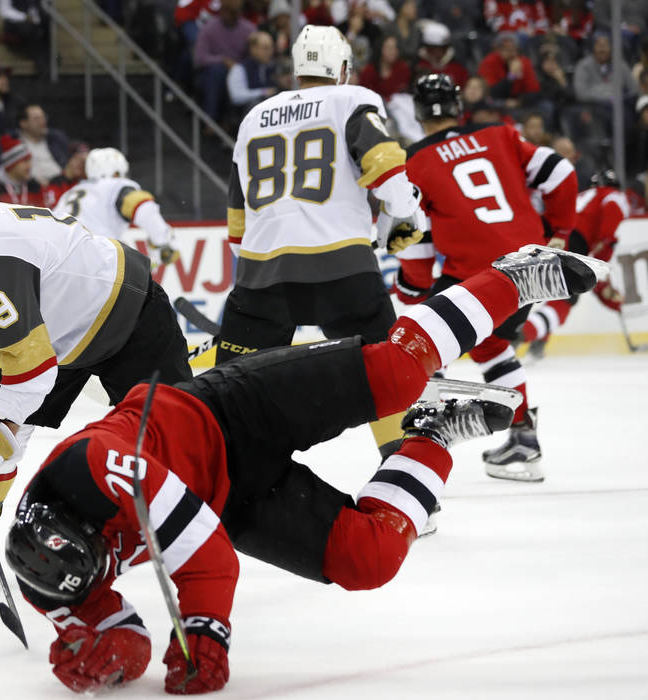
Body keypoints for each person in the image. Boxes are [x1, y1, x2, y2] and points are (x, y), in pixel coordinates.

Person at [3, 245, 609, 695]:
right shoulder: (44, 576)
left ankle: (511, 277)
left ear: (82, 524)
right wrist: (100, 660)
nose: (113, 566)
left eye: (106, 557)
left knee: (398, 372)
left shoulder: (101, 469)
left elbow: (208, 558)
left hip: (230, 411)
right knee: (369, 559)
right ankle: (434, 433)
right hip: (229, 498)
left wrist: (206, 635)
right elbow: (126, 639)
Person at [0, 175, 193, 587]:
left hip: (127, 312)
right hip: (53, 334)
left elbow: (32, 371)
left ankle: (199, 526)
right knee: (2, 429)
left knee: (177, 435)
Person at [217, 25, 426, 460]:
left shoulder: (254, 116)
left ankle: (227, 488)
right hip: (342, 270)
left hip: (261, 278)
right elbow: (387, 168)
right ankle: (401, 478)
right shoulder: (353, 99)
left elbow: (237, 225)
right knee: (384, 373)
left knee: (232, 389)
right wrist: (404, 210)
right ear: (344, 68)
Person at [398, 73, 578, 482]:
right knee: (492, 344)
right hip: (528, 266)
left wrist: (414, 284)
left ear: (419, 112)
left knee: (422, 341)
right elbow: (560, 170)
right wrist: (562, 232)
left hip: (474, 275)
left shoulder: (415, 161)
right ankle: (522, 437)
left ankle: (428, 440)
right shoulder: (499, 133)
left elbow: (414, 233)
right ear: (459, 108)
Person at [521, 169, 629, 354]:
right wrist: (606, 289)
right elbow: (605, 241)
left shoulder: (583, 196)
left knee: (534, 291)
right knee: (566, 297)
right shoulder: (615, 196)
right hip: (573, 240)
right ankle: (522, 334)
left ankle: (535, 339)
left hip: (546, 235)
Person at [51, 147, 179, 267]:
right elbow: (143, 209)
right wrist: (163, 241)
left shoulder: (69, 193)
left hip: (58, 260)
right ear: (117, 172)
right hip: (93, 259)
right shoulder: (115, 186)